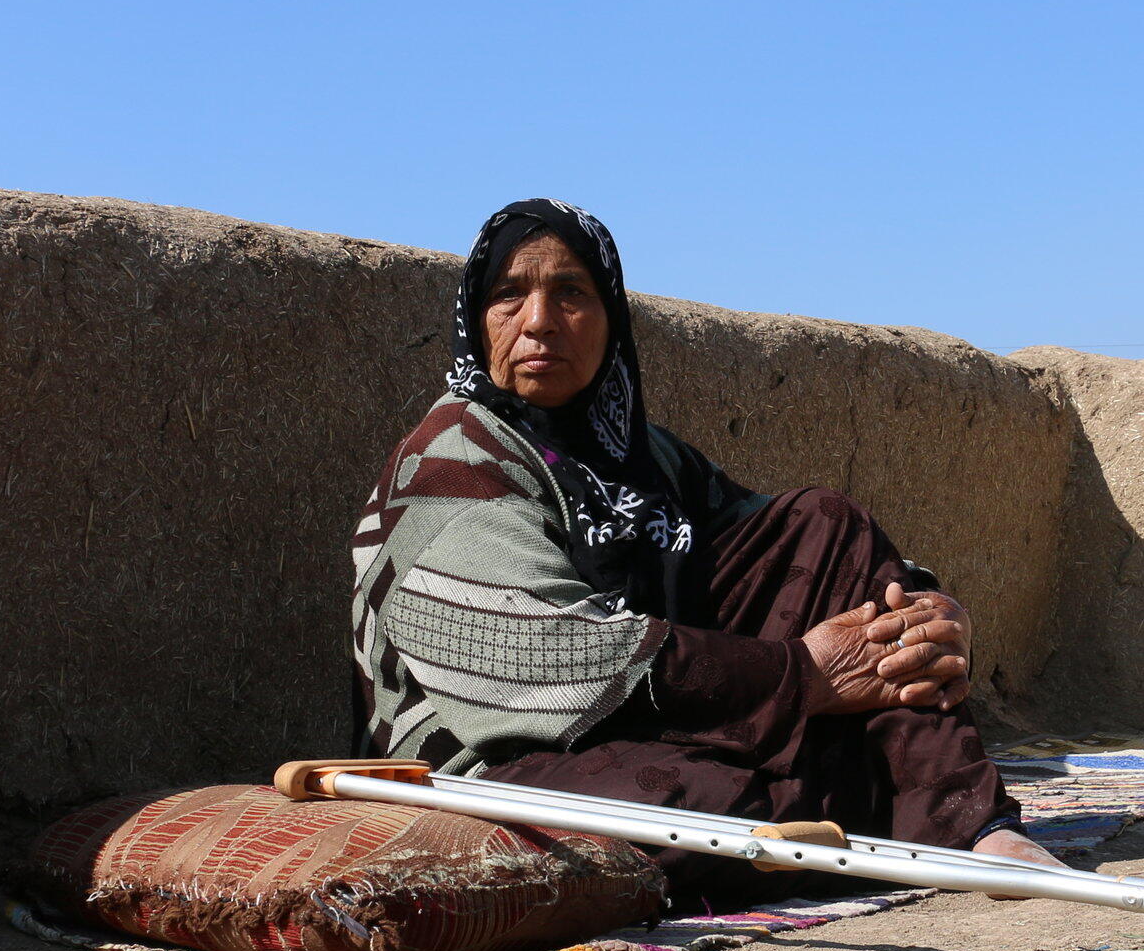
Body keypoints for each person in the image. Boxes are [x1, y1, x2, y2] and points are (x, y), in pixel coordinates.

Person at [351, 199, 1068, 906]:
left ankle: (968, 825)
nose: (538, 321)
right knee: (691, 808)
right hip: (496, 755)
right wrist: (802, 676)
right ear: (478, 321)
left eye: (571, 293)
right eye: (510, 295)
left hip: (672, 715)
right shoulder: (452, 461)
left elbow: (777, 551)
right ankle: (846, 806)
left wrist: (929, 613)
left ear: (613, 320)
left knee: (826, 521)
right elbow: (538, 658)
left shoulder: (639, 451)